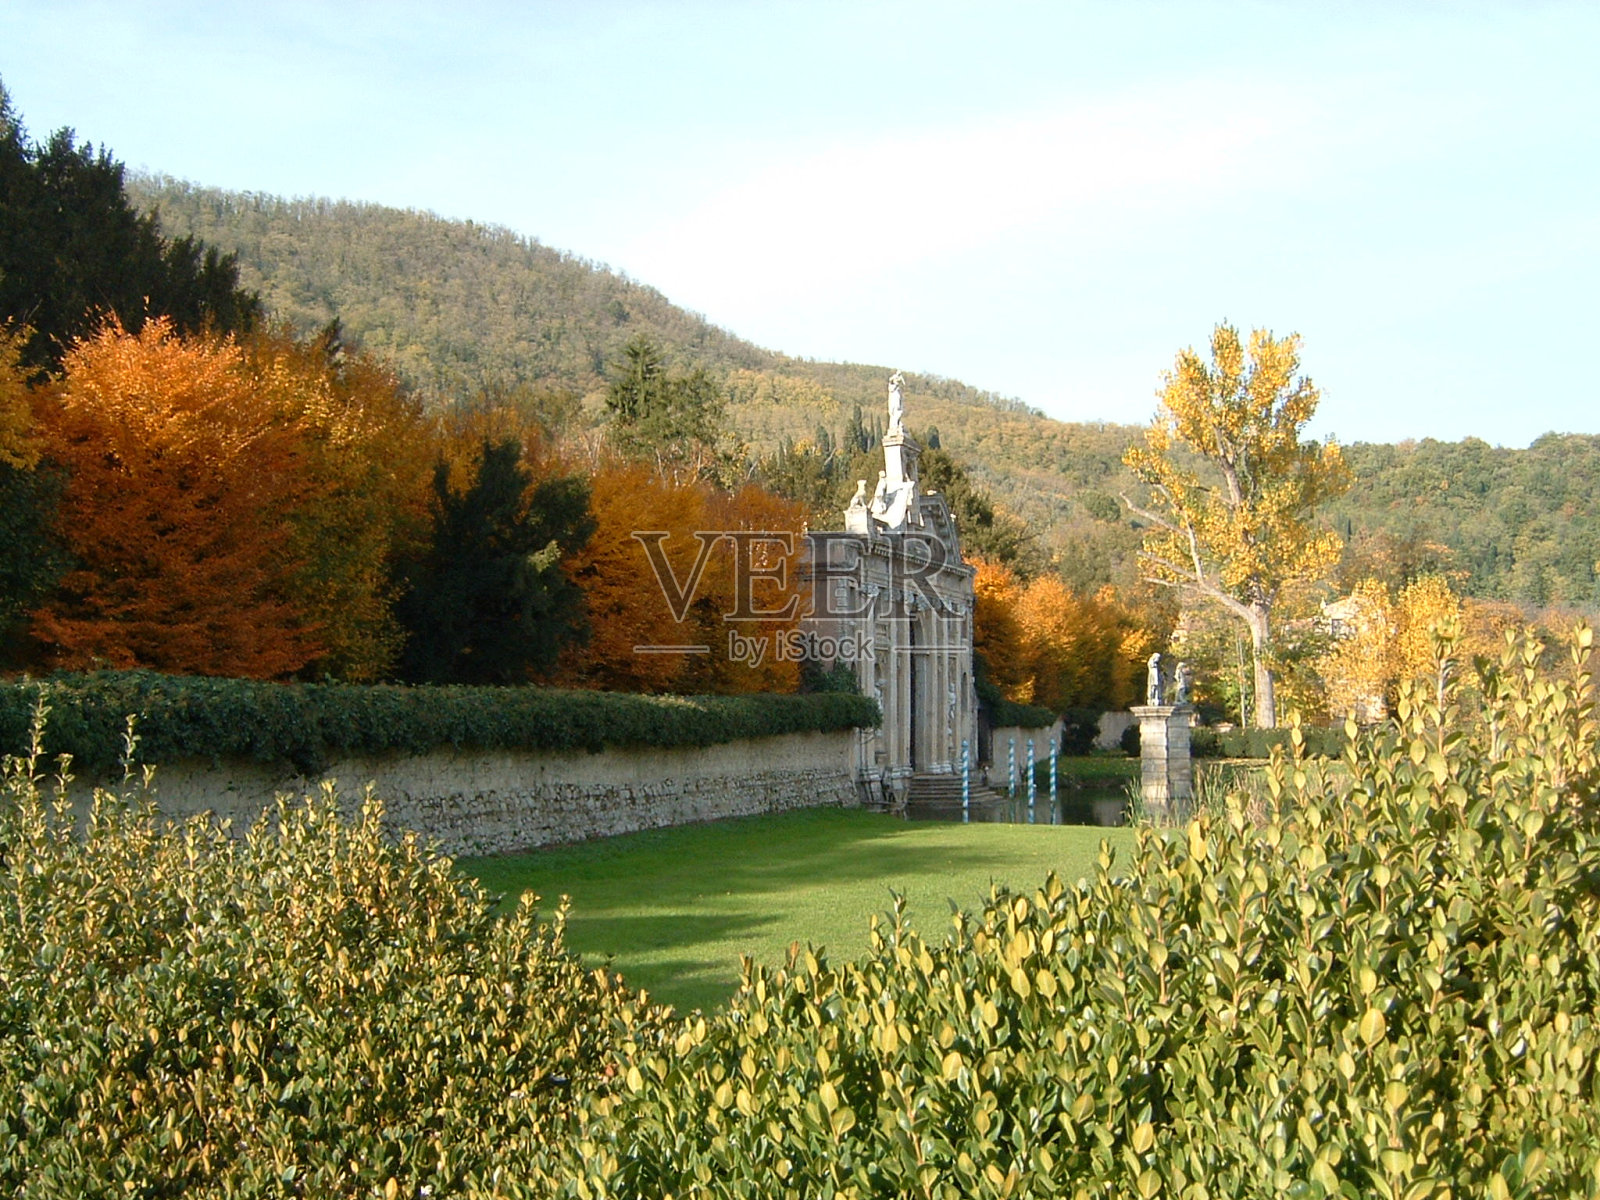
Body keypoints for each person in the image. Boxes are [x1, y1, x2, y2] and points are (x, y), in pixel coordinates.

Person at [888, 370, 905, 435]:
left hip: (897, 400)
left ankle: (896, 423)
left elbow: (904, 383)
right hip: (894, 401)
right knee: (896, 411)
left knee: (899, 411)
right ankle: (895, 425)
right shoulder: (892, 387)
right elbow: (890, 384)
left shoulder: (898, 389)